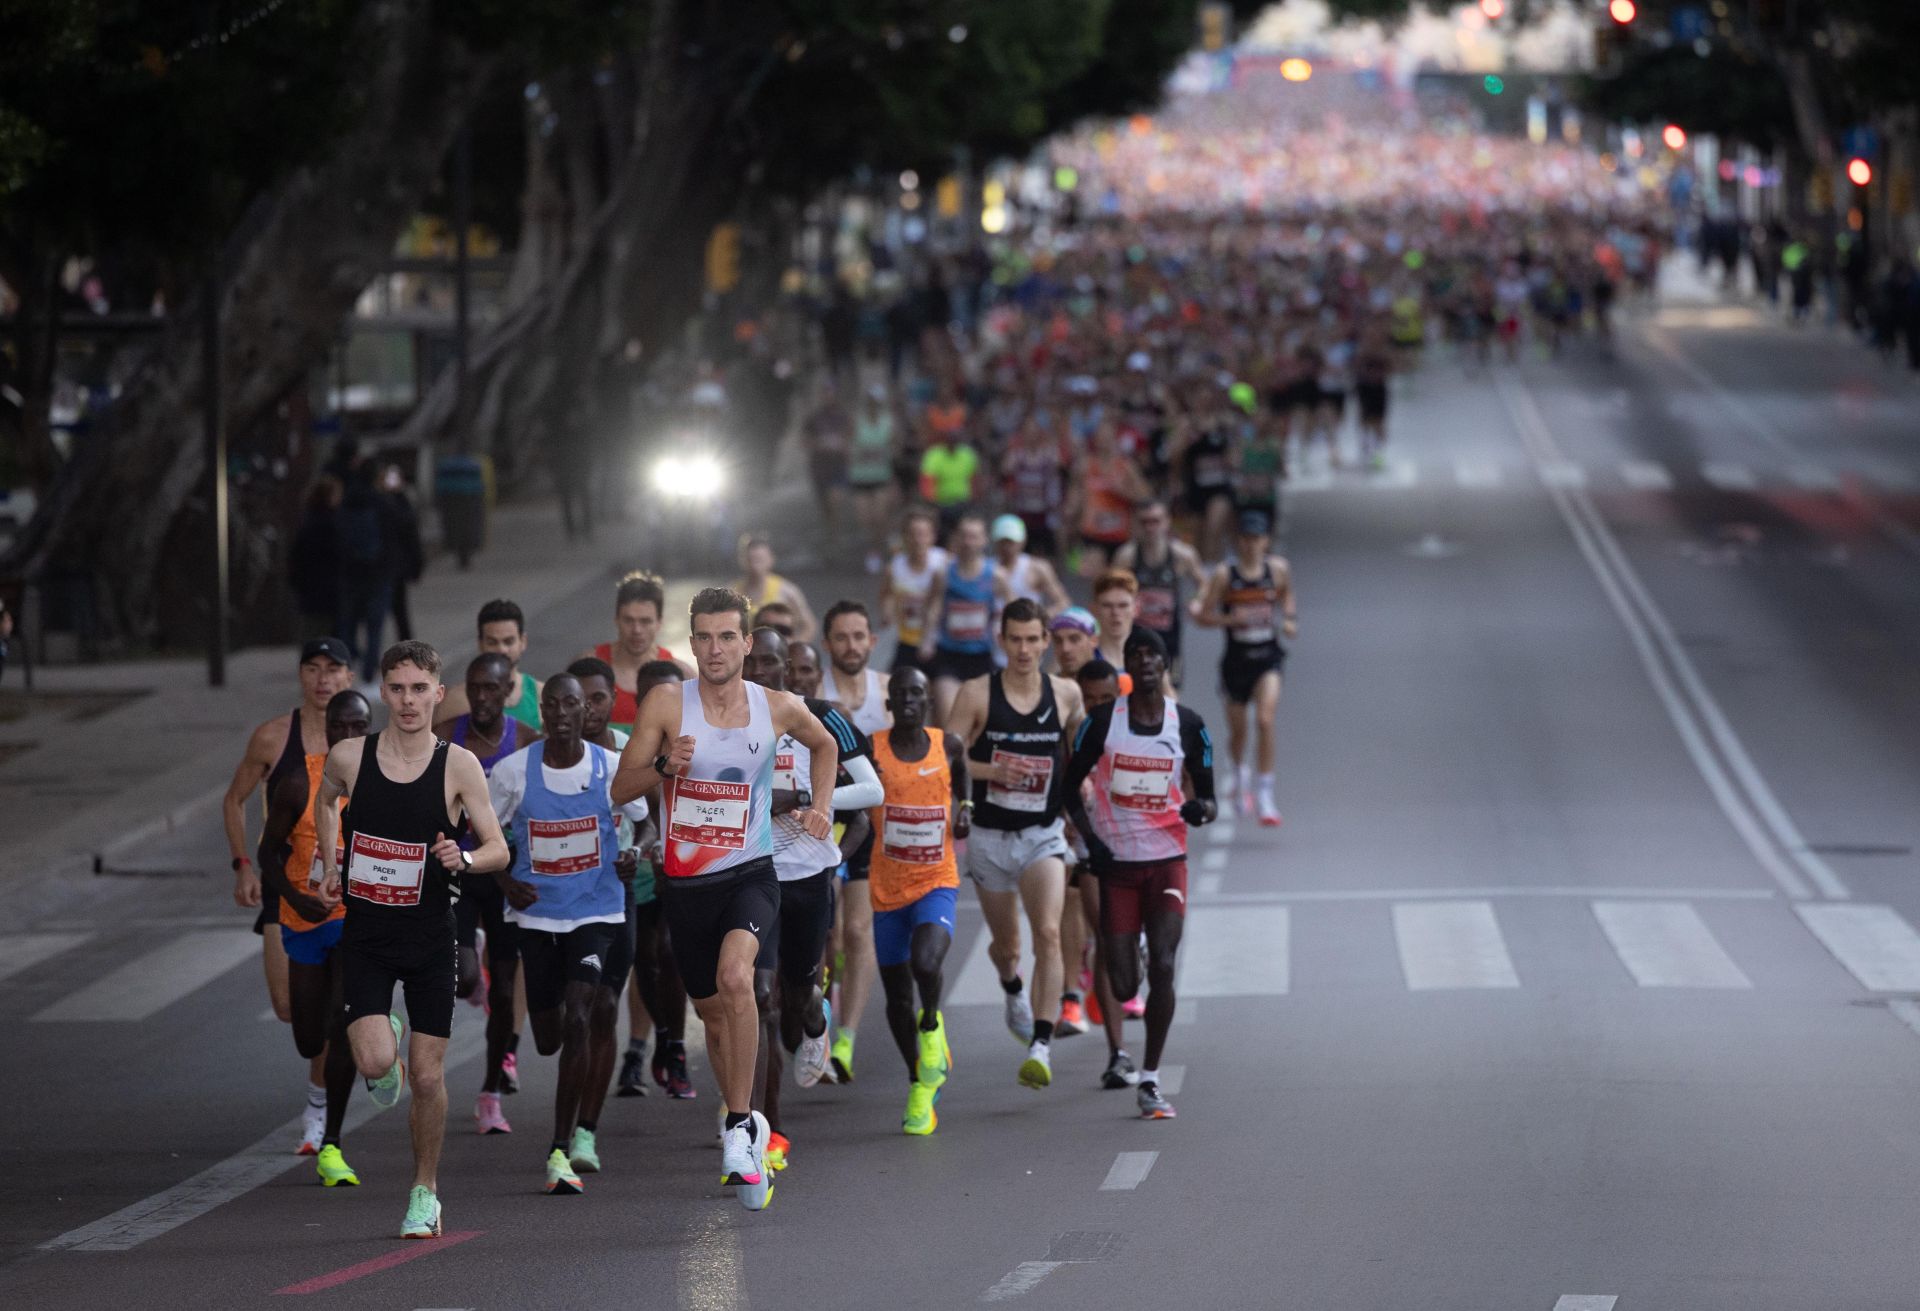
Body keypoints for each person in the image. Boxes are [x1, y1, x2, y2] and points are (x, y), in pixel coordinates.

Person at [611, 588, 841, 1211]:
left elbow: (826, 746)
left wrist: (821, 806)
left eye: (726, 637)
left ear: (746, 642)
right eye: (704, 638)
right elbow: (618, 789)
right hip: (686, 886)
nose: (715, 649)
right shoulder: (666, 702)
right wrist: (663, 766)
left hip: (751, 873)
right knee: (713, 1015)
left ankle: (741, 1126)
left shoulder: (777, 706)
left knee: (739, 979)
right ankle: (744, 1120)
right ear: (693, 644)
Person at [316, 640, 510, 1239]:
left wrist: (464, 857)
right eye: (396, 689)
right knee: (375, 1060)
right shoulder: (350, 756)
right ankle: (385, 1038)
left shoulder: (459, 766)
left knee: (426, 1078)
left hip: (431, 938)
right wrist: (331, 862)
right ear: (383, 691)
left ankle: (424, 1191)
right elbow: (326, 804)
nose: (407, 701)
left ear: (437, 694)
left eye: (418, 689)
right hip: (369, 937)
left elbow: (499, 849)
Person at [488, 675, 649, 1194]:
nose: (560, 713)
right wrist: (504, 880)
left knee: (583, 1016)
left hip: (596, 912)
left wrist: (634, 852)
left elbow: (644, 821)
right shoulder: (515, 771)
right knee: (549, 1036)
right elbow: (487, 835)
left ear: (587, 712)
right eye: (552, 704)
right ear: (543, 713)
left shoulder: (610, 769)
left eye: (571, 704)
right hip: (537, 917)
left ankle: (565, 1145)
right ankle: (569, 1129)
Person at [1063, 626, 1217, 1119]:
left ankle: (1149, 1077)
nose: (1145, 660)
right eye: (1136, 654)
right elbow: (1068, 789)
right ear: (1127, 666)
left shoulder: (1189, 724)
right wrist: (1090, 841)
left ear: (1165, 665)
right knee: (1126, 986)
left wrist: (1199, 809)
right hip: (1117, 867)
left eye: (1153, 653)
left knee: (1166, 968)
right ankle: (1137, 950)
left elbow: (1209, 796)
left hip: (1168, 861)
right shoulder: (1103, 722)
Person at [743, 627, 881, 1167]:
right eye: (755, 662)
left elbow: (873, 791)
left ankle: (819, 1019)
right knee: (760, 995)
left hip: (809, 877)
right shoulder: (728, 718)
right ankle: (766, 1128)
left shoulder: (819, 714)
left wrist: (804, 797)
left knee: (798, 1001)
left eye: (773, 664)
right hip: (754, 874)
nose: (763, 673)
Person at [944, 598, 1086, 1089]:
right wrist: (993, 770)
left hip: (1042, 836)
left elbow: (1081, 753)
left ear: (1046, 641)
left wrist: (1080, 794)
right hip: (988, 836)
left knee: (1048, 932)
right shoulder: (977, 693)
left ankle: (1041, 1045)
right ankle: (1012, 987)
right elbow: (948, 758)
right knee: (1007, 946)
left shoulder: (1065, 694)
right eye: (1016, 639)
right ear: (1001, 640)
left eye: (1034, 639)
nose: (1025, 650)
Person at [223, 638, 356, 1125]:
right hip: (287, 889)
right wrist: (242, 865)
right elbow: (234, 799)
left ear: (349, 677)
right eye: (313, 668)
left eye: (334, 669)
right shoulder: (274, 738)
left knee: (338, 1009)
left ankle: (319, 1106)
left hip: (349, 897)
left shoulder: (365, 739)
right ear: (301, 676)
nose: (323, 679)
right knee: (290, 1010)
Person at [256, 688, 371, 1182]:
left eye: (358, 728)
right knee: (310, 1038)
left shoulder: (385, 779)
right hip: (305, 918)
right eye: (339, 727)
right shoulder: (299, 783)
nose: (348, 736)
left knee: (342, 1023)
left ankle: (333, 1143)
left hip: (357, 918)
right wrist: (296, 899)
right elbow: (268, 854)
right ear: (326, 731)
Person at [434, 652, 537, 1133]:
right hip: (462, 873)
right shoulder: (447, 737)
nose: (481, 697)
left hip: (508, 880)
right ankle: (469, 960)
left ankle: (492, 1091)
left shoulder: (524, 741)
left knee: (505, 986)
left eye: (491, 689)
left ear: (507, 689)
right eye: (474, 687)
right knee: (463, 978)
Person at [867, 666, 969, 1134]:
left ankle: (933, 1027)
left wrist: (964, 810)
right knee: (895, 998)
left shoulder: (948, 745)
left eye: (917, 693)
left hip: (936, 880)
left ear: (927, 701)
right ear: (889, 703)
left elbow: (962, 778)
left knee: (927, 964)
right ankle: (919, 1085)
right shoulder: (873, 750)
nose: (908, 700)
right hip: (887, 889)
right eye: (900, 694)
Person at [817, 601, 891, 1080]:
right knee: (830, 935)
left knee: (859, 932)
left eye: (858, 636)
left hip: (874, 826)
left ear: (872, 640)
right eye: (841, 637)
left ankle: (846, 1037)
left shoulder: (888, 693)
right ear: (828, 644)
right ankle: (817, 1026)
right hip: (824, 822)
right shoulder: (817, 695)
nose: (851, 645)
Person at [1194, 511, 1296, 826]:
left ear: (1266, 540)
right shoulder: (1226, 575)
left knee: (1265, 719)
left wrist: (1290, 619)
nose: (1252, 545)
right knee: (1239, 732)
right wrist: (1229, 619)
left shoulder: (1277, 570)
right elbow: (1203, 615)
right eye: (1247, 539)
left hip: (1268, 657)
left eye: (1258, 539)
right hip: (1236, 660)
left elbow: (1287, 598)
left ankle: (1265, 793)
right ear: (1239, 541)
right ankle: (1240, 774)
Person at [919, 514, 1006, 726]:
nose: (969, 542)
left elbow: (1013, 610)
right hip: (949, 657)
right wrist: (927, 640)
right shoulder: (943, 574)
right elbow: (932, 608)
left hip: (982, 657)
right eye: (964, 536)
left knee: (982, 723)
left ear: (984, 540)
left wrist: (1005, 640)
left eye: (974, 537)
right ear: (957, 538)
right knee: (949, 718)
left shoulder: (995, 575)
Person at [1112, 501, 1207, 688]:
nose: (1150, 527)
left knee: (1171, 690)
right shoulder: (1127, 556)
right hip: (1136, 636)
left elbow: (1204, 584)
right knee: (1137, 689)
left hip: (1170, 638)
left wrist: (1196, 601)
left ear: (1167, 522)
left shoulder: (1182, 555)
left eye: (1155, 521)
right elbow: (1110, 590)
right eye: (1144, 522)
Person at [581, 572, 686, 733]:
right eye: (629, 620)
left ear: (659, 623)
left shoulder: (681, 675)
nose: (637, 630)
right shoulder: (588, 667)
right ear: (616, 620)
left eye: (645, 621)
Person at [437, 599, 544, 732]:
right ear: (480, 644)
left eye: (508, 641)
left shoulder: (541, 695)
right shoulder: (457, 700)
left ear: (523, 641)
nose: (501, 649)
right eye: (492, 642)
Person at [334, 463, 396, 685]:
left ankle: (344, 666)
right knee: (374, 625)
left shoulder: (345, 503)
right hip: (377, 573)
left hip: (350, 573)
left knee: (348, 623)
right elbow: (392, 538)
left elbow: (338, 538)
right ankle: (370, 668)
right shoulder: (383, 503)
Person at [880, 507, 947, 674]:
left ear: (933, 537)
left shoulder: (944, 562)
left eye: (923, 534)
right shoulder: (895, 567)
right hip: (908, 639)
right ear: (904, 537)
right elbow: (886, 594)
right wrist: (887, 612)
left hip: (942, 641)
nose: (918, 540)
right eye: (912, 534)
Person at [850, 386, 899, 574]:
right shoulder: (857, 422)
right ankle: (882, 541)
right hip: (860, 476)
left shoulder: (888, 423)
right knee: (865, 519)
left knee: (879, 516)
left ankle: (875, 552)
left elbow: (895, 450)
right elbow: (848, 445)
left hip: (881, 476)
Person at [735, 535, 818, 643]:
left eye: (760, 560)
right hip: (745, 656)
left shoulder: (787, 591)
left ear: (771, 559)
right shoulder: (733, 593)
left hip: (777, 655)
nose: (755, 566)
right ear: (742, 561)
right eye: (751, 560)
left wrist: (794, 648)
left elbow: (809, 625)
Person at [286, 480, 341, 641]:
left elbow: (297, 555)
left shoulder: (308, 520)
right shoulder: (331, 523)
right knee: (324, 630)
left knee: (311, 629)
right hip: (327, 587)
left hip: (309, 586)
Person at [990, 515, 1069, 615]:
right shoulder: (986, 568)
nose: (1006, 546)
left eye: (1010, 542)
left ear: (1022, 541)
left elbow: (1063, 602)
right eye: (1002, 541)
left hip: (1027, 627)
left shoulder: (1037, 567)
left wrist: (1038, 619)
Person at [381, 464, 425, 642]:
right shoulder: (398, 503)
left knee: (397, 610)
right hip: (392, 565)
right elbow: (411, 536)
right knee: (397, 610)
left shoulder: (391, 502)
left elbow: (411, 537)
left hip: (390, 565)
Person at [1047, 607, 1099, 680]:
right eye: (1058, 641)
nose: (1065, 648)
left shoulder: (1114, 685)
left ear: (1094, 641)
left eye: (1074, 639)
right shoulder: (1045, 689)